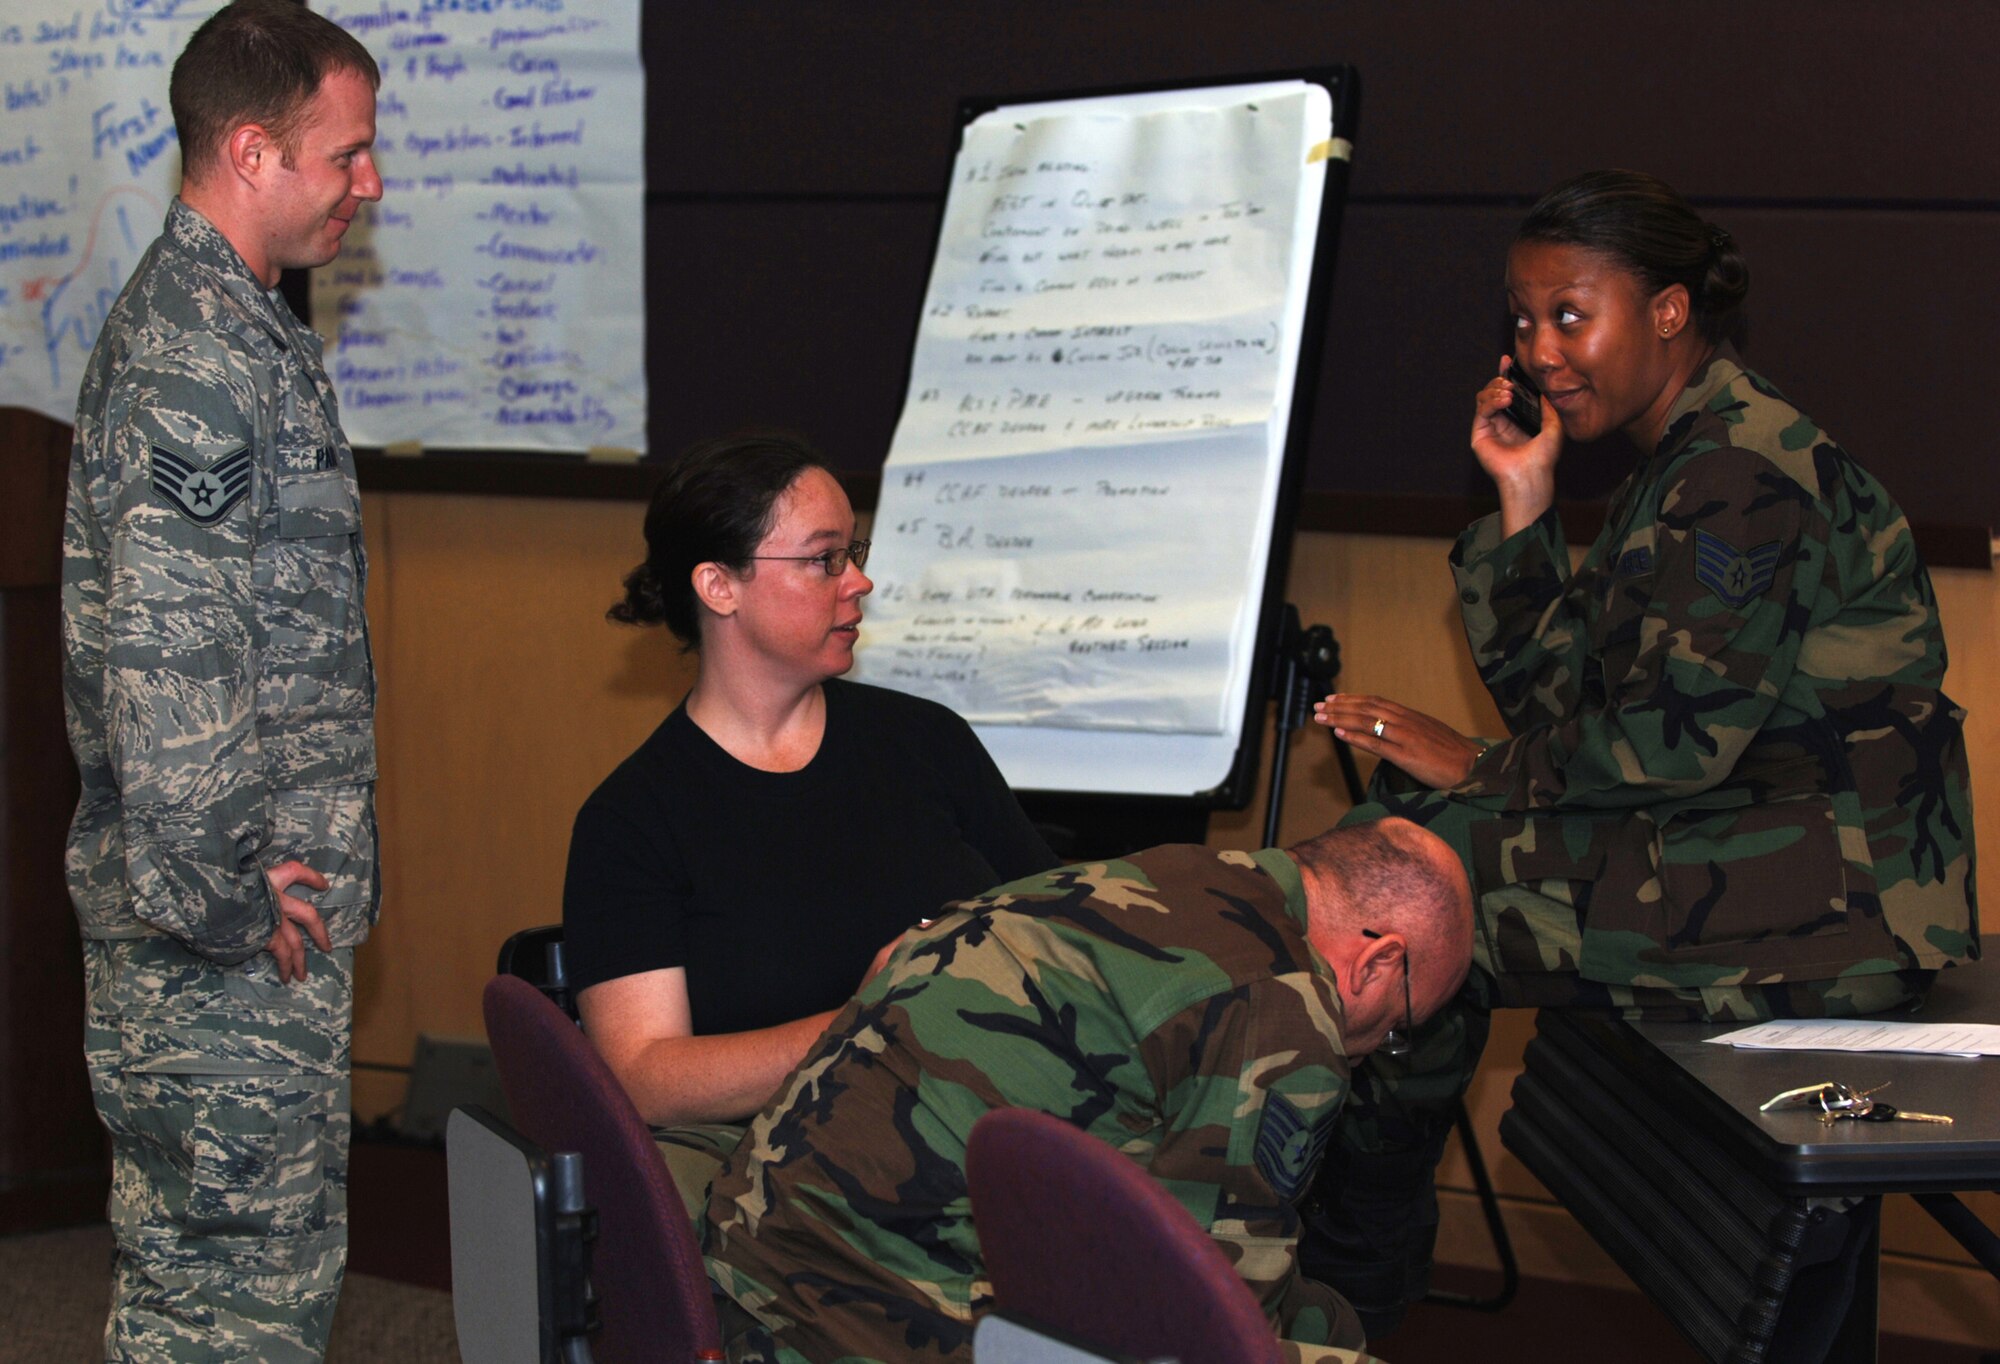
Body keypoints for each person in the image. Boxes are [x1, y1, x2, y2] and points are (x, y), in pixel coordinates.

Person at [1303, 169, 1980, 1328]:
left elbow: (1670, 745)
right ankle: (1342, 1273)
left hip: (1834, 890)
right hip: (1740, 843)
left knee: (1406, 905)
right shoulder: (1676, 463)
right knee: (1394, 866)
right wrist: (1523, 501)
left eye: (1571, 314)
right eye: (1520, 319)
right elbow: (1563, 711)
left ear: (1667, 311)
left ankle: (1340, 1290)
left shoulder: (1736, 478)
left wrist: (1471, 767)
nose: (1537, 349)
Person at [60, 3, 384, 1359]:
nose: (369, 185)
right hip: (221, 963)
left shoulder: (238, 330)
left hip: (244, 945)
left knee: (244, 1306)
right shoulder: (197, 358)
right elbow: (173, 669)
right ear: (252, 152)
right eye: (346, 155)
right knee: (221, 1322)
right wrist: (229, 902)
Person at [702, 819, 1474, 1364]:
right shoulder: (1283, 1010)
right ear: (1377, 962)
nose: (1376, 1051)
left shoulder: (1165, 875)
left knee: (1326, 1318)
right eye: (1397, 1028)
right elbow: (1216, 1320)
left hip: (750, 1251)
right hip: (864, 1317)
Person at [562, 435, 1056, 1198]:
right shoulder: (634, 819)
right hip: (794, 1172)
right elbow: (644, 1077)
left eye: (852, 551)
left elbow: (1056, 927)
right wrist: (869, 1015)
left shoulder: (925, 741)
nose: (859, 581)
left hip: (994, 1124)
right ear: (719, 586)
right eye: (825, 559)